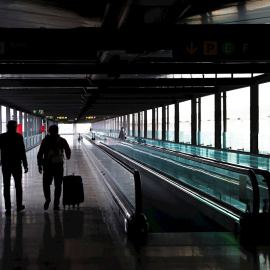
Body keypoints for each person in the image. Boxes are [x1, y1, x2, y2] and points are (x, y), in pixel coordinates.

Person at [37, 125, 71, 211]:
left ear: (49, 131)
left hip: (47, 165)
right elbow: (68, 150)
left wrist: (39, 164)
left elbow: (40, 153)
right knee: (58, 185)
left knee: (46, 184)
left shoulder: (45, 140)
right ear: (57, 131)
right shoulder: (62, 140)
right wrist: (67, 156)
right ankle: (56, 204)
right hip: (58, 165)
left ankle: (47, 199)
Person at [0, 120, 28, 216]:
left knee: (6, 186)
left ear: (7, 127)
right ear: (15, 127)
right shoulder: (18, 137)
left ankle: (8, 208)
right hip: (16, 164)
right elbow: (22, 151)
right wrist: (25, 165)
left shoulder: (2, 137)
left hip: (6, 164)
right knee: (18, 186)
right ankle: (19, 205)